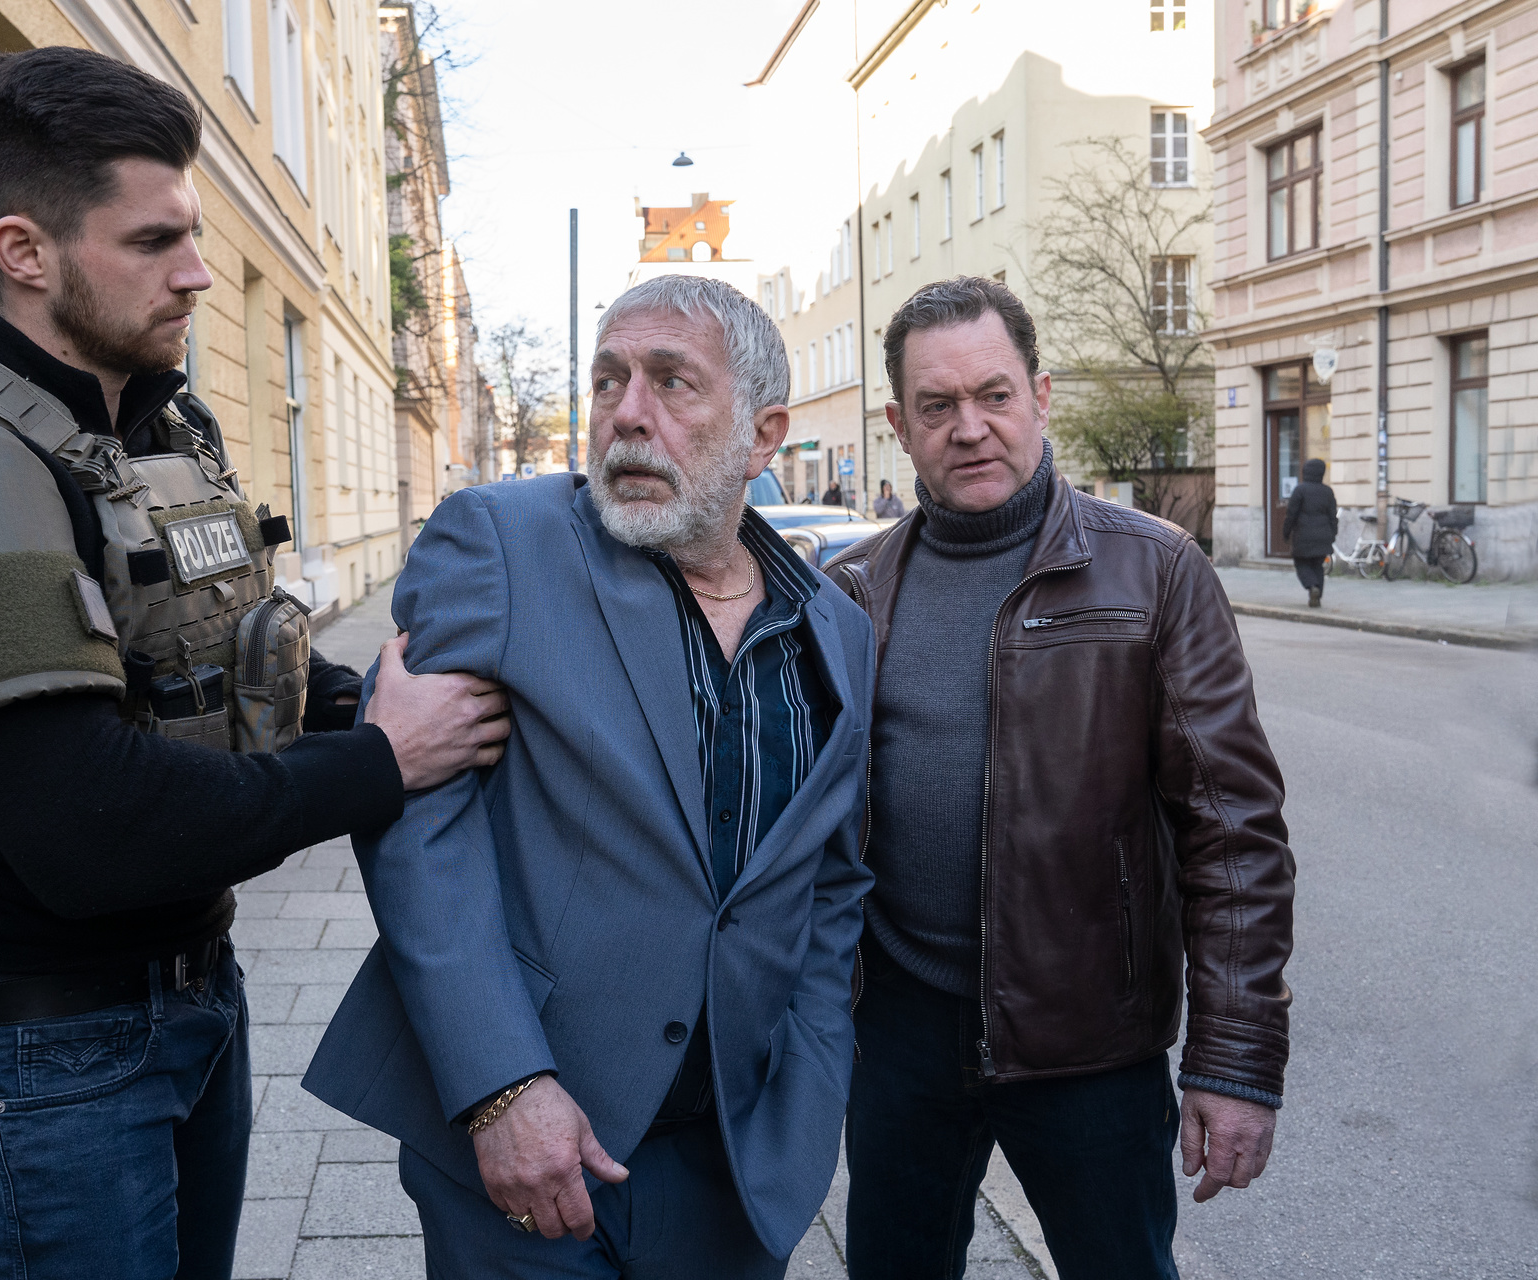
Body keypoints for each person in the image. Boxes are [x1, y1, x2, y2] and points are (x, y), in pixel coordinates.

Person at [0, 47, 508, 1279]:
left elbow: (231, 672)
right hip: (43, 1050)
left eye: (193, 235)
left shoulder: (151, 432)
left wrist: (401, 702)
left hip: (191, 995)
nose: (196, 273)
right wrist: (386, 761)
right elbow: (92, 826)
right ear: (26, 252)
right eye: (154, 241)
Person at [304, 275, 876, 1278]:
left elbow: (830, 883)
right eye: (609, 379)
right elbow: (419, 823)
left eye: (672, 382)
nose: (626, 413)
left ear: (763, 433)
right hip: (523, 1149)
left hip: (733, 1160)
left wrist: (811, 1084)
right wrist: (501, 1086)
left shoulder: (836, 631)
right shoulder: (500, 543)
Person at [824, 277, 1295, 1279]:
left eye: (994, 395)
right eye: (937, 405)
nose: (970, 428)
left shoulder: (1154, 570)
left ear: (1040, 395)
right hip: (901, 1039)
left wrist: (1234, 1059)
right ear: (899, 426)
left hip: (1089, 1044)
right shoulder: (851, 591)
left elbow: (1234, 835)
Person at [1283, 458, 1338, 607]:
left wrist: (1286, 532)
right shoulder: (1327, 491)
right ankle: (1317, 596)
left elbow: (1291, 514)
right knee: (1318, 566)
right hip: (1323, 535)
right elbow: (1333, 516)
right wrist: (1333, 534)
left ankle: (1312, 586)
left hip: (1303, 535)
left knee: (1302, 563)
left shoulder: (1300, 490)